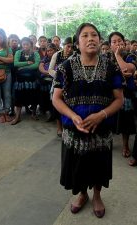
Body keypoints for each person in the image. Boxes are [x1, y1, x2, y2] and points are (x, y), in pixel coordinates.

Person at [52, 23, 124, 218]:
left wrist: (102, 115)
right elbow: (56, 98)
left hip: (101, 130)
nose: (90, 38)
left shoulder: (110, 67)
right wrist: (73, 116)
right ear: (77, 43)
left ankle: (97, 195)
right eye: (85, 35)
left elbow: (119, 99)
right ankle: (83, 194)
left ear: (101, 41)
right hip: (75, 129)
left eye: (94, 35)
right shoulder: (65, 67)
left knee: (99, 164)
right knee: (78, 165)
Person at [108, 31, 136, 158]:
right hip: (109, 94)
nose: (117, 43)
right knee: (109, 120)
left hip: (126, 93)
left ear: (124, 43)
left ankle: (125, 145)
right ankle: (108, 141)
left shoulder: (130, 56)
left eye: (120, 41)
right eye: (114, 42)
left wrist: (118, 56)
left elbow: (129, 69)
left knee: (126, 122)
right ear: (110, 45)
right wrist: (119, 73)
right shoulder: (105, 58)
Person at [11, 37, 40, 125]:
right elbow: (16, 63)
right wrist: (27, 63)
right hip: (20, 81)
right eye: (23, 44)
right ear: (21, 45)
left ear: (31, 45)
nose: (25, 46)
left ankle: (33, 114)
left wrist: (23, 67)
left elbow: (36, 65)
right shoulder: (18, 52)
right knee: (18, 98)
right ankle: (17, 117)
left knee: (34, 96)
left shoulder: (35, 53)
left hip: (32, 81)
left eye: (27, 44)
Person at [49, 36, 73, 137]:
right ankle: (59, 127)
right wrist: (60, 77)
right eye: (68, 46)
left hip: (71, 83)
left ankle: (68, 126)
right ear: (63, 45)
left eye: (72, 47)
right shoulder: (57, 55)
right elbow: (50, 70)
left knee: (68, 105)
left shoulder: (75, 56)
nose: (70, 49)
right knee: (57, 103)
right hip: (58, 82)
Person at [38, 43, 57, 118]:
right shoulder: (45, 58)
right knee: (44, 94)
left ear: (55, 50)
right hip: (45, 78)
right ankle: (45, 110)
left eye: (51, 50)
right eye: (48, 51)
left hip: (55, 79)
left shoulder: (59, 57)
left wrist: (52, 73)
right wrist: (47, 72)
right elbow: (41, 67)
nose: (49, 52)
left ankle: (53, 112)